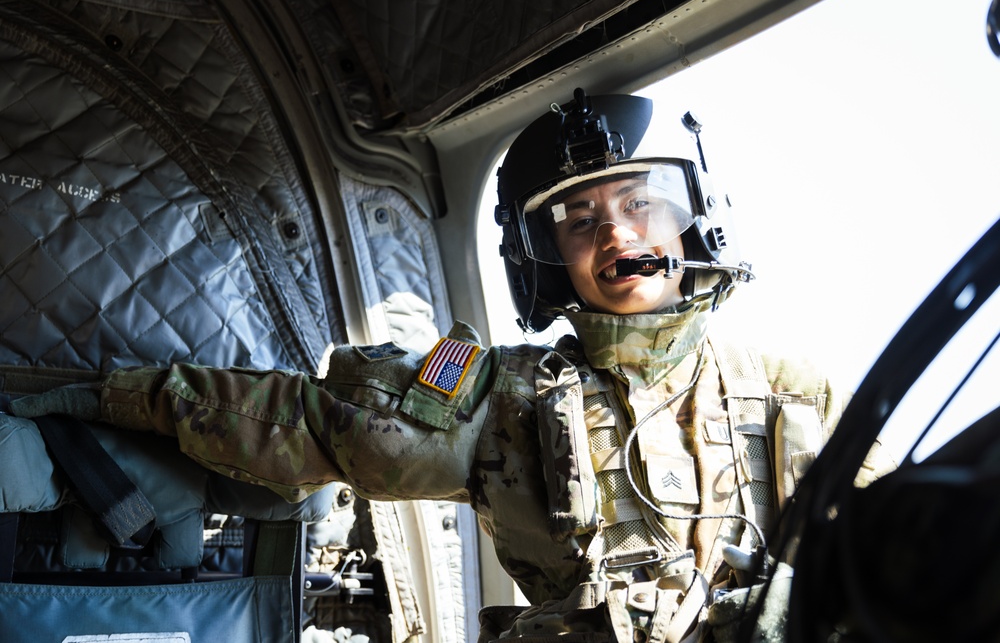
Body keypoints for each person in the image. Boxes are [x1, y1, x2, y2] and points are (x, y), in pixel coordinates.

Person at [8, 89, 890, 642]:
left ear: (690, 218)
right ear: (546, 257)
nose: (618, 233)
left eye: (639, 202)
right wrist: (107, 397)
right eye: (579, 219)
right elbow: (315, 426)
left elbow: (913, 560)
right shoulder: (506, 398)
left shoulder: (796, 394)